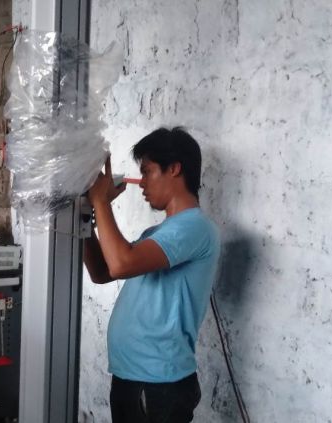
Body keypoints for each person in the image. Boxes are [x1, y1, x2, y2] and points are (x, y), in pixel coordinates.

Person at [84, 127, 221, 423]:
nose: (142, 183)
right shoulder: (157, 233)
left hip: (159, 385)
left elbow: (121, 264)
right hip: (134, 379)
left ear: (174, 169)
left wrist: (101, 201)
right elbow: (102, 271)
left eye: (147, 172)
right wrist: (84, 216)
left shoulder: (194, 227)